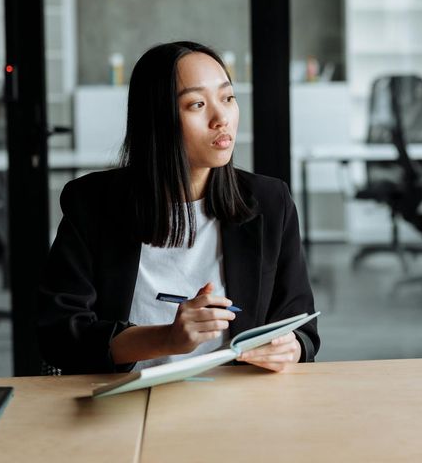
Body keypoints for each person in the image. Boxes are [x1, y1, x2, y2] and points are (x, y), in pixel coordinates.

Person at [37, 41, 319, 374]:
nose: (220, 118)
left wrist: (291, 346)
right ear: (157, 119)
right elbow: (59, 335)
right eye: (197, 104)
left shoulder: (270, 202)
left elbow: (302, 327)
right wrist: (167, 339)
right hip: (122, 405)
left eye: (228, 98)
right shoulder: (93, 204)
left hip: (238, 402)